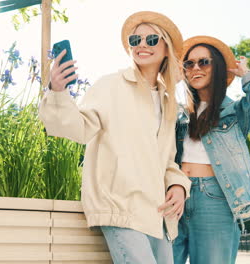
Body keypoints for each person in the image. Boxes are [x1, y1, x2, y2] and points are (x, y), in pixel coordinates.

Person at [39, 11, 191, 263]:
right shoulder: (110, 85)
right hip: (120, 208)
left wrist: (178, 186)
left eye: (152, 39)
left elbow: (167, 160)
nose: (142, 44)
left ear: (166, 48)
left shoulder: (168, 102)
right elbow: (79, 129)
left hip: (157, 215)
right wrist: (57, 91)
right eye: (135, 40)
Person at [172, 36, 250, 264]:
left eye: (203, 62)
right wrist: (171, 80)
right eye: (189, 64)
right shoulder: (177, 113)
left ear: (216, 67)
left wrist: (245, 74)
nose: (195, 68)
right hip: (173, 194)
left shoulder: (235, 113)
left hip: (215, 198)